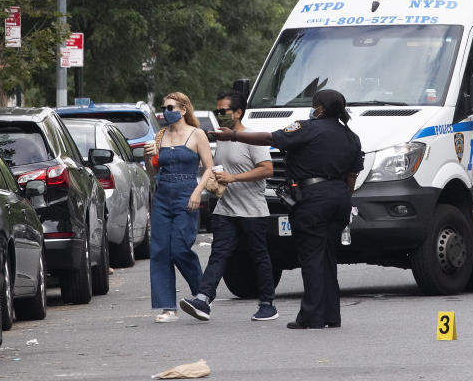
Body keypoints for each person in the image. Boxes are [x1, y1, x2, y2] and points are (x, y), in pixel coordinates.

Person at [211, 88, 362, 329]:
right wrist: (340, 196)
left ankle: (311, 316)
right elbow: (352, 176)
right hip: (340, 199)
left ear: (320, 108)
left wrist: (234, 137)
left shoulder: (309, 128)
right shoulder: (351, 136)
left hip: (314, 199)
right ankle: (331, 316)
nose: (312, 108)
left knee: (311, 257)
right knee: (328, 257)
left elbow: (271, 139)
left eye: (314, 104)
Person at [180, 91, 278, 322]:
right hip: (226, 209)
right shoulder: (221, 139)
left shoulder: (251, 138)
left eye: (223, 111)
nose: (220, 115)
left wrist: (234, 179)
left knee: (259, 256)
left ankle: (267, 304)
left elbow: (267, 169)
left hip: (252, 210)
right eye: (217, 111)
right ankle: (203, 299)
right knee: (219, 254)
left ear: (238, 113)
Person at [144, 92, 214, 323]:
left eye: (171, 107)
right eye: (164, 107)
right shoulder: (160, 135)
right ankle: (167, 308)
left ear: (183, 109)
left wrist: (197, 192)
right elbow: (153, 172)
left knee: (180, 248)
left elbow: (208, 168)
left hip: (186, 193)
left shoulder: (197, 134)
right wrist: (148, 159)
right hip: (163, 195)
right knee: (160, 250)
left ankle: (203, 293)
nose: (167, 111)